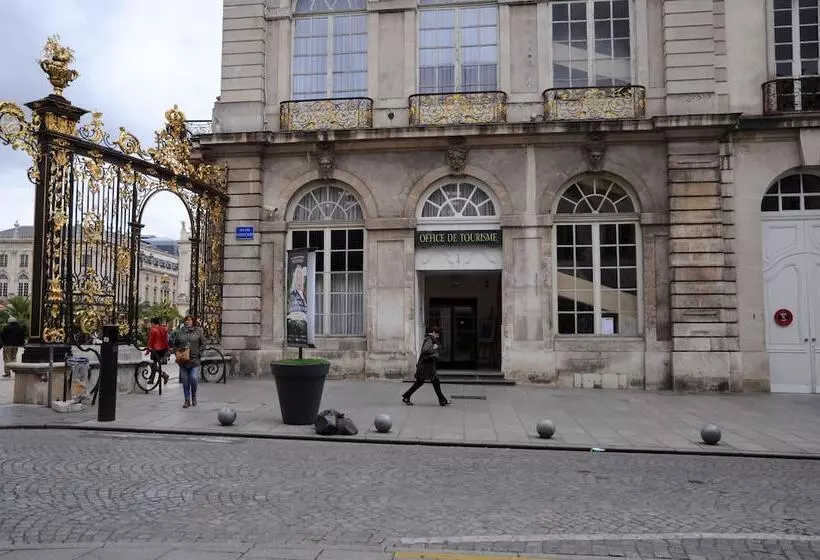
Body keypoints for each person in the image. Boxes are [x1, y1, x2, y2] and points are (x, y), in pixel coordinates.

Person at [402, 326, 450, 406]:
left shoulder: (431, 339)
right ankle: (442, 401)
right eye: (438, 334)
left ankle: (442, 400)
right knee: (426, 382)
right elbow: (425, 350)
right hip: (426, 366)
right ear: (434, 332)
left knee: (431, 382)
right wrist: (434, 348)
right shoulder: (429, 339)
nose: (438, 336)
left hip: (428, 365)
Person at [173, 315, 206, 408]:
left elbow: (203, 343)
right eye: (187, 320)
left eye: (190, 320)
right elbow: (175, 343)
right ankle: (187, 400)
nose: (188, 322)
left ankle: (194, 395)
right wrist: (177, 353)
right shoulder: (181, 332)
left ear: (193, 321)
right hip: (183, 360)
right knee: (185, 381)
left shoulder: (198, 331)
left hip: (194, 359)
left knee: (194, 378)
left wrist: (199, 353)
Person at [145, 317, 170, 385]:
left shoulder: (153, 330)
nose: (151, 325)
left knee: (153, 365)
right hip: (162, 349)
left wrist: (148, 350)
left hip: (155, 349)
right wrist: (167, 349)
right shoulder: (162, 329)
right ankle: (152, 379)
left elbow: (151, 341)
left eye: (151, 323)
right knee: (154, 364)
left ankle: (164, 375)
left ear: (153, 323)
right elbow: (165, 340)